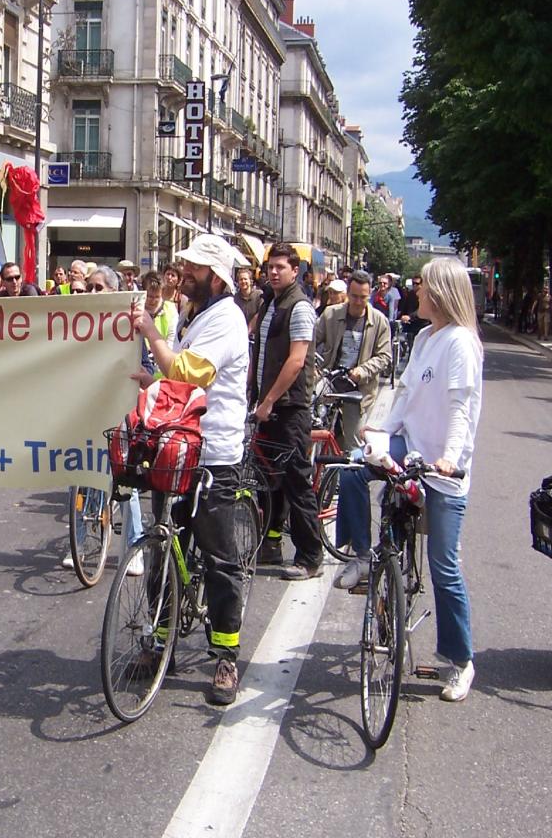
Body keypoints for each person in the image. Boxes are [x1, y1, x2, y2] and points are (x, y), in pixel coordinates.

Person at [335, 257, 483, 701]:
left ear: (440, 293)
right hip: (409, 444)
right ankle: (361, 556)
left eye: (423, 285)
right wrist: (382, 434)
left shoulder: (460, 343)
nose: (416, 291)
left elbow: (459, 410)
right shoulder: (422, 338)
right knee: (355, 469)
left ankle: (460, 660)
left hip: (443, 466)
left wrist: (450, 460)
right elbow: (405, 398)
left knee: (444, 566)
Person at [137, 233, 250, 705]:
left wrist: (149, 331)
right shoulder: (194, 313)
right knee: (164, 546)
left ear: (216, 277)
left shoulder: (227, 318)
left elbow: (189, 372)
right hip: (179, 444)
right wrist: (153, 379)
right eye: (185, 265)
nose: (184, 272)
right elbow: (176, 382)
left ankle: (225, 656)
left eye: (194, 268)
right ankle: (159, 637)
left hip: (213, 453)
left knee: (220, 556)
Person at [251, 242, 323, 580]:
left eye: (281, 267)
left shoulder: (300, 307)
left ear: (296, 271)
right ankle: (270, 544)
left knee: (296, 482)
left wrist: (269, 401)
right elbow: (259, 351)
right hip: (266, 406)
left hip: (289, 408)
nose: (274, 272)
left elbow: (296, 362)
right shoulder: (269, 303)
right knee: (268, 482)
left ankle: (310, 557)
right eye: (271, 267)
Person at [314, 271, 393, 446]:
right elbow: (310, 342)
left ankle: (347, 469)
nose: (357, 302)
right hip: (330, 379)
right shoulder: (330, 314)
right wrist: (312, 366)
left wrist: (363, 371)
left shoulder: (380, 322)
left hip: (359, 389)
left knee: (353, 441)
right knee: (311, 424)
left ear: (370, 294)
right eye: (354, 296)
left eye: (363, 297)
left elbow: (385, 356)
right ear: (347, 294)